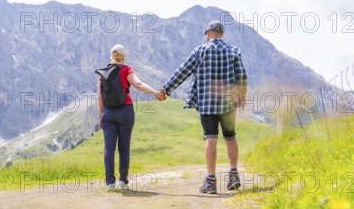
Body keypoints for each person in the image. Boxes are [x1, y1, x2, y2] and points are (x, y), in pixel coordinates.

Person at [160, 21, 247, 194]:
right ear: (221, 34)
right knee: (230, 136)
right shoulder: (233, 50)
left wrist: (166, 89)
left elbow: (182, 72)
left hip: (207, 102)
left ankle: (211, 181)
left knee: (210, 138)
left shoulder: (200, 51)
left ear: (208, 33)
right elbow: (241, 75)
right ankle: (233, 175)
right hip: (229, 102)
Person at [97, 44, 166, 190]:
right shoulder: (126, 69)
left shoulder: (103, 73)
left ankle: (110, 183)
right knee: (124, 147)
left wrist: (101, 117)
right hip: (125, 112)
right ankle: (123, 181)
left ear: (111, 56)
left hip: (107, 114)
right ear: (124, 56)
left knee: (108, 148)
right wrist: (156, 94)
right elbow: (138, 84)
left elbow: (99, 98)